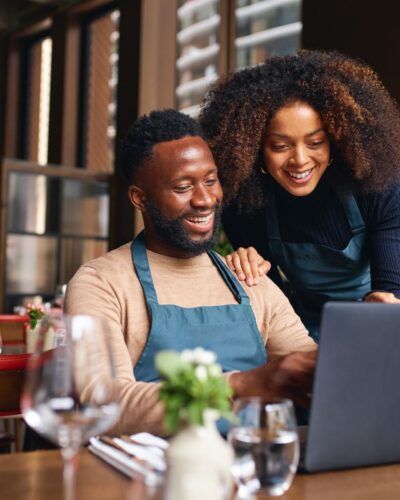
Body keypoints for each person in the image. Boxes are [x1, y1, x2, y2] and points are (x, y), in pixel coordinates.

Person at [65, 109, 316, 436]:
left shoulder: (248, 276)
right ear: (140, 198)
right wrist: (240, 384)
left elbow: (309, 368)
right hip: (148, 479)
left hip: (254, 468)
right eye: (183, 187)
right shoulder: (101, 283)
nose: (205, 199)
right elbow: (102, 401)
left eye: (211, 180)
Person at [199, 50, 400, 340]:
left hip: (380, 321)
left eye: (315, 142)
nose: (300, 160)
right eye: (281, 146)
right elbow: (273, 306)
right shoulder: (246, 206)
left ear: (336, 141)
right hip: (305, 326)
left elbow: (391, 291)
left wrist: (380, 305)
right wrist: (247, 272)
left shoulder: (377, 186)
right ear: (254, 150)